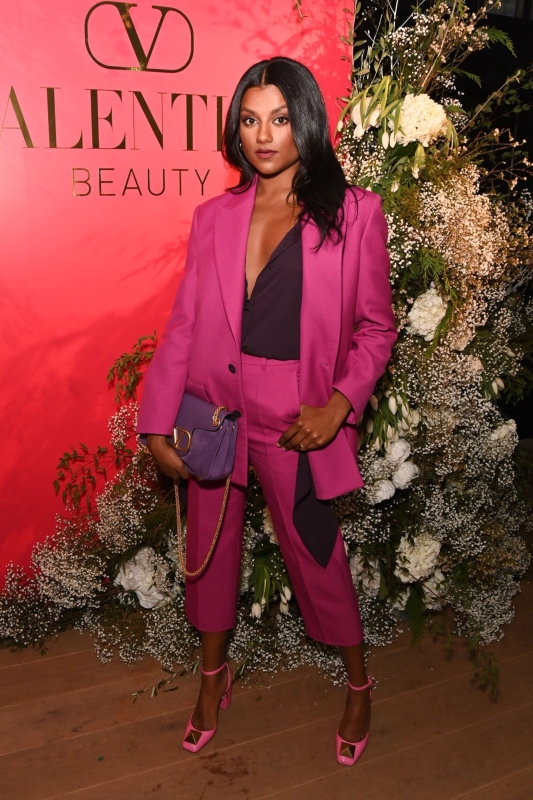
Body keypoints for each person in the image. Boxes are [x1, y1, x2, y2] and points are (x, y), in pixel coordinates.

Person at [137, 56, 397, 766]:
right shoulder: (213, 216)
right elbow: (186, 323)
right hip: (217, 408)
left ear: (305, 122)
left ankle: (358, 682)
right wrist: (157, 419)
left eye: (280, 119)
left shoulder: (354, 213)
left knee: (316, 554)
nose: (263, 135)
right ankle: (212, 677)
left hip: (297, 415)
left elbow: (377, 328)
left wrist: (340, 404)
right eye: (250, 120)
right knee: (210, 552)